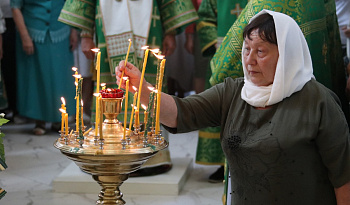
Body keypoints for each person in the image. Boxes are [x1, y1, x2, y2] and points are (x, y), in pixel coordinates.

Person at [116, 10, 350, 204]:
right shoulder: (233, 93)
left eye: (261, 51)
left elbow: (343, 177)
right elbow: (181, 112)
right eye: (247, 49)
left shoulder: (318, 102)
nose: (249, 60)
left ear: (287, 55)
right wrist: (142, 89)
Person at [58, 0, 198, 176]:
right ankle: (108, 153)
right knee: (110, 84)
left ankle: (152, 155)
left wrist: (169, 31)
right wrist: (86, 34)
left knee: (148, 84)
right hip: (106, 19)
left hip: (150, 24)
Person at [193, 0, 250, 183]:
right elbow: (204, 18)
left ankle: (251, 162)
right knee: (223, 106)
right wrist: (216, 44)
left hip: (254, 56)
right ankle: (221, 163)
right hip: (222, 60)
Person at [11, 0, 77, 135]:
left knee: (60, 77)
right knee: (36, 78)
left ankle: (58, 119)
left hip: (60, 30)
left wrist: (74, 31)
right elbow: (15, 8)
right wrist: (24, 37)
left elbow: (72, 3)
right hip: (33, 32)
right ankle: (39, 121)